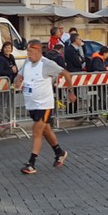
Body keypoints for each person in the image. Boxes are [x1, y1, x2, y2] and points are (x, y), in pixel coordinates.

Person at [15, 40, 76, 175]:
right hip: (31, 104)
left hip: (44, 104)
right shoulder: (26, 63)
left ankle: (31, 163)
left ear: (38, 51)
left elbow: (66, 74)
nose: (28, 54)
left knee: (37, 131)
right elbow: (19, 76)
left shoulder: (47, 64)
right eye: (27, 51)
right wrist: (17, 82)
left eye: (30, 51)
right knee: (46, 130)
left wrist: (70, 92)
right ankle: (59, 152)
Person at [0, 41, 18, 123]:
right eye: (6, 47)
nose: (7, 49)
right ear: (3, 48)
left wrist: (14, 72)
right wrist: (11, 71)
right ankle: (1, 118)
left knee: (11, 101)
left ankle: (10, 118)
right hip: (4, 82)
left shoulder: (11, 57)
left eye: (9, 48)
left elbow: (15, 69)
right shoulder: (1, 58)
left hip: (12, 82)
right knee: (3, 100)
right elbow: (0, 71)